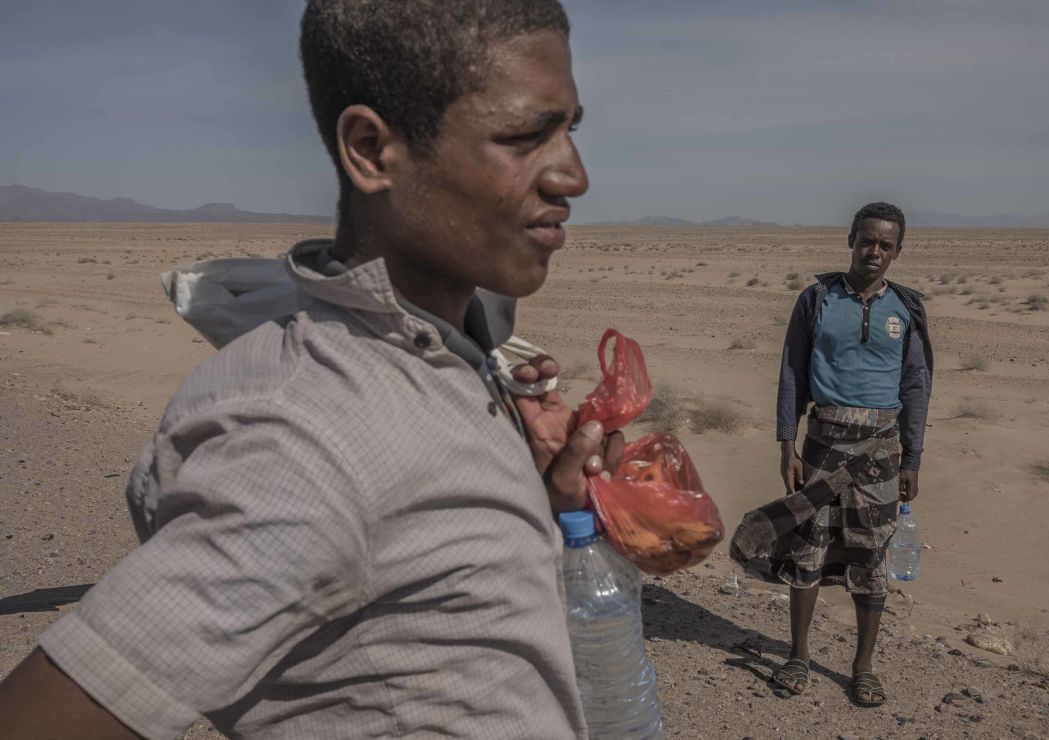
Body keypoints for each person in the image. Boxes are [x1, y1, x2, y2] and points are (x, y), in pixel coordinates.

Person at [0, 1, 618, 737]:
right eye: (524, 136)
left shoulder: (441, 354)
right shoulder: (306, 437)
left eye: (568, 130)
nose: (573, 176)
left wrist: (540, 503)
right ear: (370, 149)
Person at [733, 202, 932, 707]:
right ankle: (798, 655)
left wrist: (912, 459)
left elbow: (916, 386)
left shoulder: (907, 309)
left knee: (872, 558)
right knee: (808, 551)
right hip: (821, 446)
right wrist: (786, 442)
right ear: (851, 240)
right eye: (867, 240)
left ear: (898, 252)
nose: (875, 252)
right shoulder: (816, 298)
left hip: (881, 453)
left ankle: (862, 667)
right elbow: (792, 373)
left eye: (887, 245)